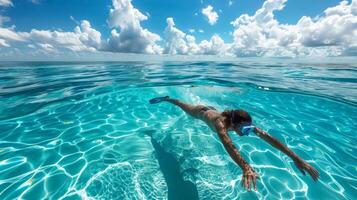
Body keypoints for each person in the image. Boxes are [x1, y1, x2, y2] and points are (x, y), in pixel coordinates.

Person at [149, 96, 319, 191]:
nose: (245, 134)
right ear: (234, 124)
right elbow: (228, 144)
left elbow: (270, 139)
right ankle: (167, 99)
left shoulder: (239, 123)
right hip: (201, 111)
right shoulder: (220, 124)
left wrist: (296, 158)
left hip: (214, 110)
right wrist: (245, 167)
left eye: (248, 130)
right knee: (182, 105)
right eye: (244, 130)